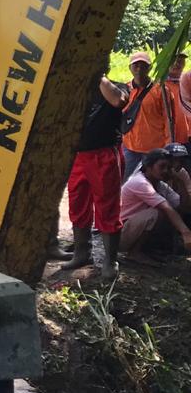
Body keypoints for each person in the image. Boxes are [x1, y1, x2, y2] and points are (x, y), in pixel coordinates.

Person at [62, 72, 128, 281]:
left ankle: (110, 261)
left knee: (107, 206)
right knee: (77, 204)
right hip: (78, 155)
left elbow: (118, 100)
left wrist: (100, 77)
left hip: (104, 153)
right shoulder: (78, 90)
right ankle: (82, 253)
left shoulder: (117, 87)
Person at [122, 51, 188, 176]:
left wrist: (168, 148)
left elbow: (169, 121)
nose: (139, 69)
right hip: (130, 148)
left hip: (154, 150)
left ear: (150, 68)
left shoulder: (161, 91)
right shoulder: (124, 89)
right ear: (130, 68)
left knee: (155, 181)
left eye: (143, 65)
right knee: (126, 182)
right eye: (136, 65)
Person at [119, 149, 191, 261]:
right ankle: (134, 253)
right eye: (162, 167)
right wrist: (186, 232)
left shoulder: (160, 185)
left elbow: (184, 208)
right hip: (120, 234)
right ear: (149, 167)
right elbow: (166, 207)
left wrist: (180, 182)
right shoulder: (140, 182)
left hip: (133, 229)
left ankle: (150, 250)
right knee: (157, 213)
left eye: (168, 168)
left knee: (172, 215)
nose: (166, 171)